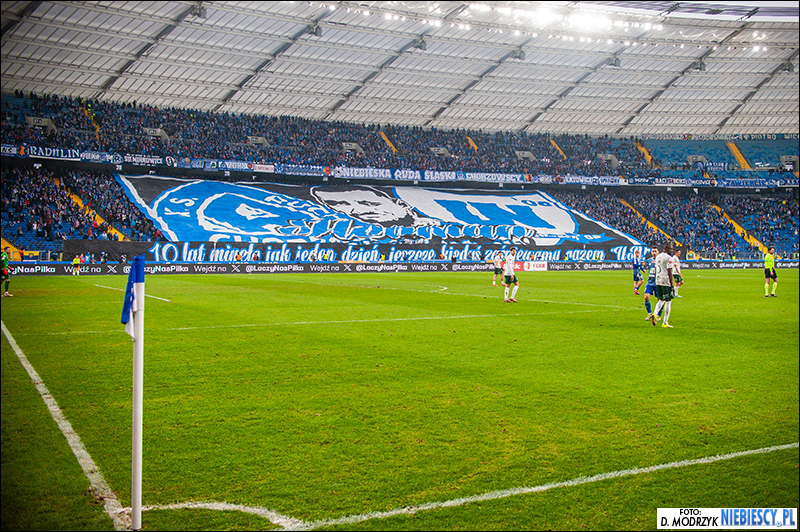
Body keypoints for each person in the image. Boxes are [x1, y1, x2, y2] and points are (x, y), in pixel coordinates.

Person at [651, 242, 675, 328]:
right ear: (666, 249)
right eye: (670, 249)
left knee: (661, 299)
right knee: (668, 301)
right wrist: (671, 285)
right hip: (665, 281)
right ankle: (665, 323)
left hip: (658, 280)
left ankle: (655, 313)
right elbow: (669, 272)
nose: (671, 250)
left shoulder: (658, 256)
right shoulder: (669, 258)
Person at [643, 245, 662, 323]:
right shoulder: (649, 260)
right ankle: (650, 313)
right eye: (653, 251)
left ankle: (658, 315)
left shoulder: (661, 260)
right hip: (650, 282)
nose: (654, 253)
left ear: (658, 252)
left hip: (658, 283)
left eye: (655, 251)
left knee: (659, 300)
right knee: (646, 297)